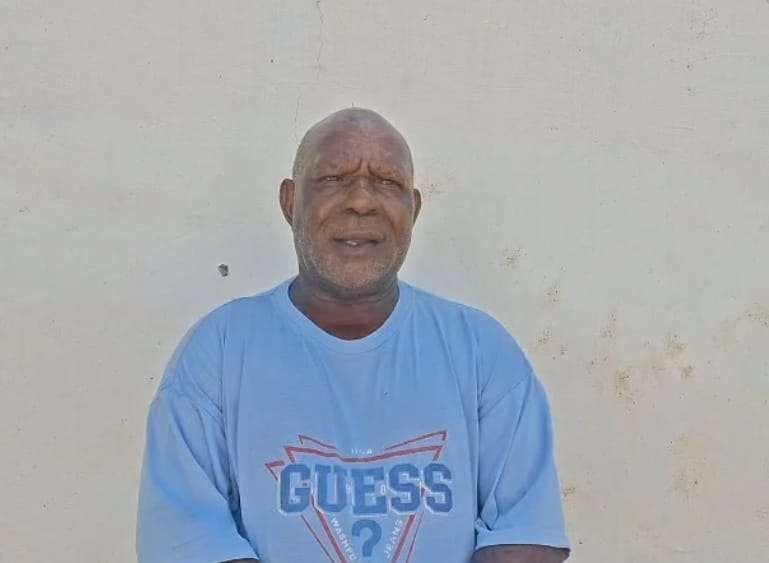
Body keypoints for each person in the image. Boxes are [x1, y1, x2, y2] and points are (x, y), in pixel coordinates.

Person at [136, 108, 571, 563]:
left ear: (414, 209)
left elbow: (525, 537)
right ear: (290, 202)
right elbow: (189, 543)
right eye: (333, 179)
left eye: (386, 182)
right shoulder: (219, 351)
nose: (362, 201)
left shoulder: (482, 351)